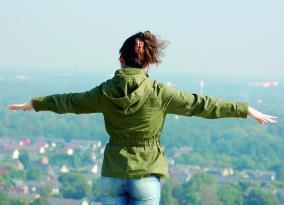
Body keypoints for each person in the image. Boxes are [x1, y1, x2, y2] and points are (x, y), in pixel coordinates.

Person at [7, 31, 277, 205]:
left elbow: (69, 102)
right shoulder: (160, 93)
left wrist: (34, 104)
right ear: (148, 63)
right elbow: (202, 105)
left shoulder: (104, 92)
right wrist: (245, 109)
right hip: (146, 176)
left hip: (112, 174)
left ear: (120, 59)